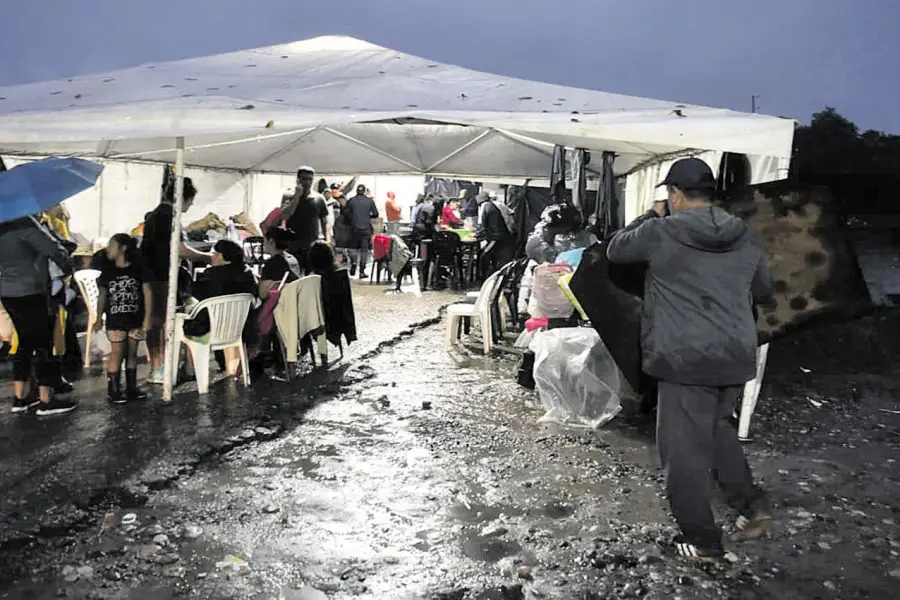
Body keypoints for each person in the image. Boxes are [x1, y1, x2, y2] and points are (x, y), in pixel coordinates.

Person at [606, 157, 774, 562]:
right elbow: (765, 290)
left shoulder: (661, 232)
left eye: (669, 194)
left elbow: (615, 251)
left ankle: (702, 541)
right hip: (734, 355)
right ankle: (754, 507)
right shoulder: (744, 234)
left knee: (682, 455)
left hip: (686, 359)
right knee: (717, 431)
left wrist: (650, 216)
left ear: (675, 194)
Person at [0, 215, 77, 415]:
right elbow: (52, 249)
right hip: (31, 290)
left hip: (8, 291)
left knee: (25, 341)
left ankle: (20, 398)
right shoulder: (24, 223)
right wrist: (67, 263)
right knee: (43, 342)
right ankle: (46, 399)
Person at [140, 177, 213, 384]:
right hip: (160, 277)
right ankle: (159, 369)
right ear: (183, 198)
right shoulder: (169, 215)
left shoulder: (156, 214)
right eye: (190, 201)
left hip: (153, 276)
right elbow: (181, 250)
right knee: (159, 323)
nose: (191, 205)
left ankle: (158, 367)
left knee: (156, 322)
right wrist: (209, 258)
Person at [97, 234, 152, 404]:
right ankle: (113, 390)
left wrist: (148, 318)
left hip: (135, 318)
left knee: (132, 354)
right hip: (115, 320)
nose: (108, 248)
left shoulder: (139, 269)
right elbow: (102, 296)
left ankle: (131, 387)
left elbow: (147, 293)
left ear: (123, 248)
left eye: (112, 245)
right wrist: (98, 317)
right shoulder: (108, 272)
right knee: (117, 354)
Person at [281, 166, 331, 271]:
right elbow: (285, 215)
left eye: (310, 179)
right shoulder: (289, 196)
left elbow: (325, 221)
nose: (307, 182)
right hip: (293, 245)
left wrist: (328, 240)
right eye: (304, 179)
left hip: (312, 245)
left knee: (312, 277)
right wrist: (296, 197)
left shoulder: (319, 198)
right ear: (298, 180)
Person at [476, 191, 517, 276]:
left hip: (496, 237)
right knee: (499, 257)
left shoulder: (485, 206)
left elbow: (482, 224)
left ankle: (482, 276)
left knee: (484, 255)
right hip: (504, 236)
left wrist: (477, 235)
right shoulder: (493, 205)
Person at [343, 184, 379, 278]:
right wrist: (367, 216)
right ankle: (362, 271)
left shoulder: (351, 201)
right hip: (366, 228)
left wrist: (352, 219)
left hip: (354, 228)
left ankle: (354, 263)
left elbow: (345, 213)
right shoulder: (369, 201)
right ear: (364, 191)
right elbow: (375, 214)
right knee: (364, 250)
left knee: (353, 248)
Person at [259, 227, 302, 299]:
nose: (263, 245)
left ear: (271, 241)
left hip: (279, 305)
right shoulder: (292, 259)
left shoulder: (272, 263)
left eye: (264, 241)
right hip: (292, 300)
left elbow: (262, 294)